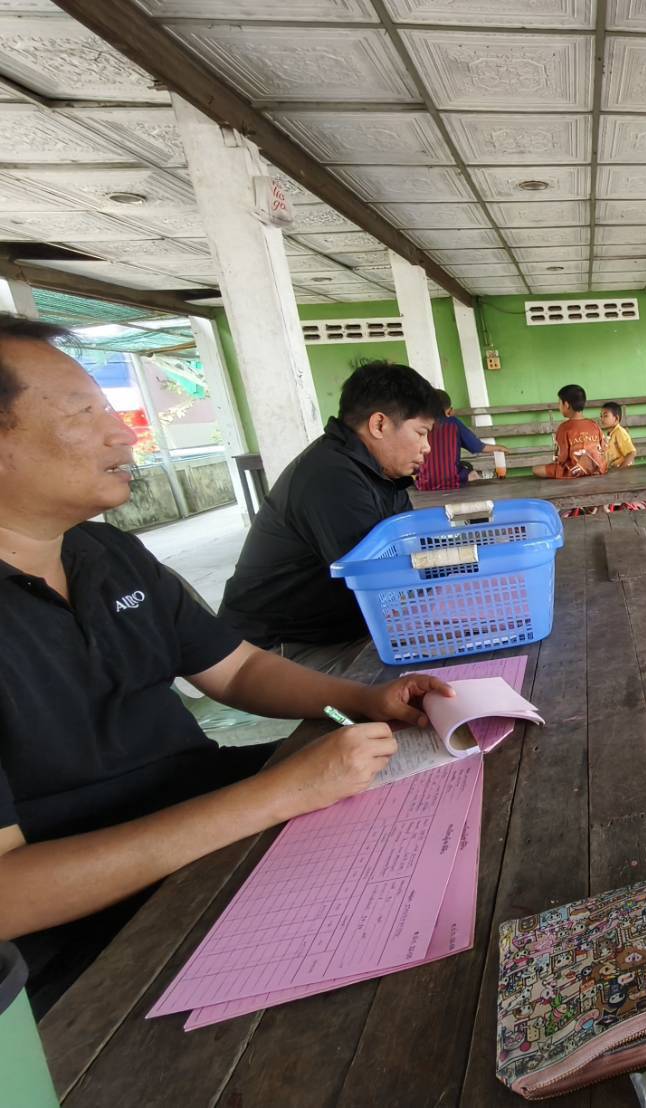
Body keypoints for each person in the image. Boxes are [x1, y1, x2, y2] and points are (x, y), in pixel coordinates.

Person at [0, 315, 452, 1013]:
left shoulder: (105, 552)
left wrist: (365, 698)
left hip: (209, 827)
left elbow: (235, 670)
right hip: (101, 945)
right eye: (82, 412)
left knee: (449, 843)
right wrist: (282, 793)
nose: (123, 434)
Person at [219, 360, 440, 674]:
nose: (427, 447)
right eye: (421, 433)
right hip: (279, 649)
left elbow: (412, 549)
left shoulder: (379, 474)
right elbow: (378, 584)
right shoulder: (331, 476)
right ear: (379, 424)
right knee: (417, 682)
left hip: (339, 630)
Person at [415, 389, 495, 492]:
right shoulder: (454, 424)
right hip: (453, 479)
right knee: (470, 472)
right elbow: (477, 447)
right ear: (450, 411)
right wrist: (500, 448)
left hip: (424, 482)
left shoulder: (420, 424)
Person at [532, 384, 606, 480]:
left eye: (559, 403)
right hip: (598, 469)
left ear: (566, 405)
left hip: (573, 471)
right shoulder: (594, 425)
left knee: (536, 469)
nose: (559, 407)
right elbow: (604, 449)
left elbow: (561, 459)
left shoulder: (564, 428)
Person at [600, 401, 638, 470]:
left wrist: (621, 469)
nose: (602, 419)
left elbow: (632, 453)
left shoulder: (620, 432)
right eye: (601, 416)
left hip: (622, 474)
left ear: (616, 418)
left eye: (605, 416)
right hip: (613, 472)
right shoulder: (610, 434)